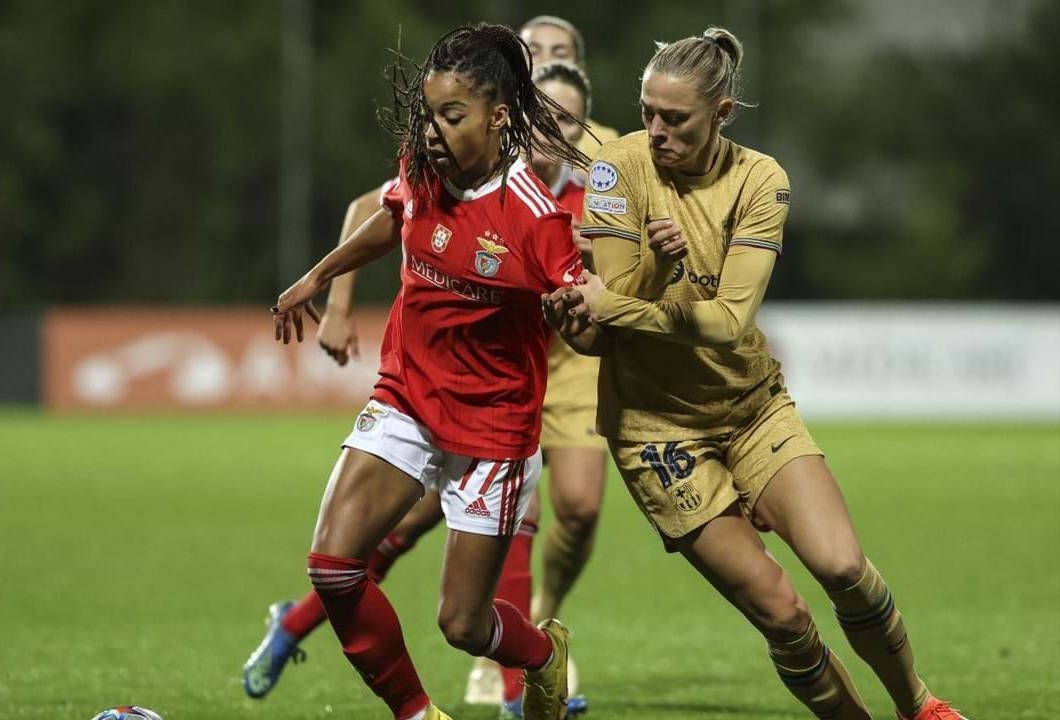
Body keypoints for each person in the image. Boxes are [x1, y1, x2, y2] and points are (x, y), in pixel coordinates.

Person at [545, 27, 967, 720]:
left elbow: (729, 319)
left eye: (674, 118)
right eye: (647, 111)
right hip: (658, 433)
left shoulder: (761, 179)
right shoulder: (615, 169)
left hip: (749, 407)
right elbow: (606, 322)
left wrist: (650, 288)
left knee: (843, 571)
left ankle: (917, 705)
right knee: (783, 615)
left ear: (722, 113)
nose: (654, 131)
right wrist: (603, 310)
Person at [245, 61, 604, 720]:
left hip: (495, 432)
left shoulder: (537, 214)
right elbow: (389, 215)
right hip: (407, 398)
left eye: (451, 115)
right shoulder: (422, 169)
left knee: (464, 625)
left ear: (499, 117)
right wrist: (319, 278)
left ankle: (543, 658)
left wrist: (583, 315)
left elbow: (585, 315)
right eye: (428, 113)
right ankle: (415, 712)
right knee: (334, 565)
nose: (433, 130)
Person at [519, 16, 619, 160]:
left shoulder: (604, 143)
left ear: (580, 69)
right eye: (533, 52)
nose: (546, 62)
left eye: (560, 54)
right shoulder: (491, 131)